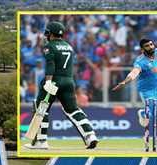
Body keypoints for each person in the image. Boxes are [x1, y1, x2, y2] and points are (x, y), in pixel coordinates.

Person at [25, 21, 98, 150]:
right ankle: (90, 135)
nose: (46, 35)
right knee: (73, 109)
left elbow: (51, 65)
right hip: (69, 82)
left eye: (48, 33)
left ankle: (41, 142)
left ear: (51, 34)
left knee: (41, 108)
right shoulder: (69, 47)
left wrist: (48, 81)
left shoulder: (49, 46)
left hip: (54, 81)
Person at [112, 38, 157, 151]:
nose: (151, 47)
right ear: (142, 49)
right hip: (146, 90)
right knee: (150, 114)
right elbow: (134, 72)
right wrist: (124, 81)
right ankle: (143, 113)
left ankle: (145, 114)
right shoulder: (140, 61)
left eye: (151, 44)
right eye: (147, 46)